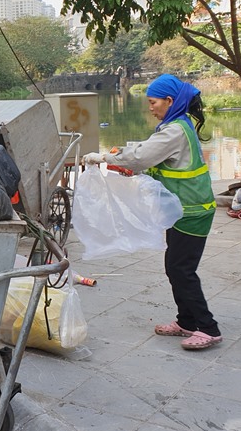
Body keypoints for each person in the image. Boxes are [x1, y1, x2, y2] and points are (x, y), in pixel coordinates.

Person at [82, 74, 221, 350]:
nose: (150, 107)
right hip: (183, 210)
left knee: (181, 269)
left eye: (153, 102)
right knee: (176, 266)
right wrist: (120, 156)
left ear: (170, 101)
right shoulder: (174, 126)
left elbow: (141, 158)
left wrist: (105, 157)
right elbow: (144, 153)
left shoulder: (175, 131)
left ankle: (208, 327)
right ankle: (187, 322)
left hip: (193, 211)